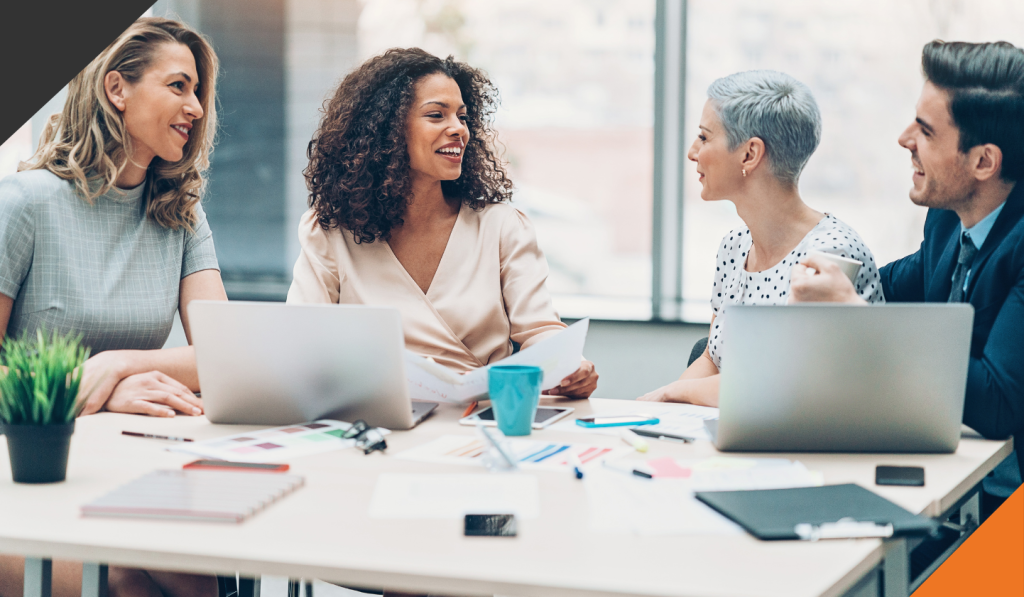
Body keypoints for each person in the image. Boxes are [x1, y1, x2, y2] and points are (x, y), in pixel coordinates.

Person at [0, 17, 226, 597]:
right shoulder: (24, 204)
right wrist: (92, 390)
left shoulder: (182, 216)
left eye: (198, 91)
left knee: (199, 569)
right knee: (126, 580)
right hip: (27, 478)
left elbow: (226, 355)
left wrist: (118, 366)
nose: (196, 107)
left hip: (129, 469)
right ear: (116, 89)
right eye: (179, 86)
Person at [790, 40, 1024, 515]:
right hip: (959, 483)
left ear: (984, 162)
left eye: (925, 131)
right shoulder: (947, 221)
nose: (903, 140)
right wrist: (827, 275)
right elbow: (893, 285)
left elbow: (999, 403)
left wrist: (854, 314)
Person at [287, 48, 598, 399]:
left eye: (463, 118)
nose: (458, 130)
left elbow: (540, 329)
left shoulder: (501, 226)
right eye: (436, 115)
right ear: (386, 130)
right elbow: (302, 341)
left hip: (478, 420)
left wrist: (570, 363)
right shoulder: (329, 230)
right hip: (376, 419)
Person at [638, 70, 884, 407]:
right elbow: (713, 357)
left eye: (704, 137)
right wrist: (653, 410)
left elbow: (776, 384)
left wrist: (672, 392)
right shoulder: (734, 246)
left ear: (750, 154)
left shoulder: (831, 255)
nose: (693, 152)